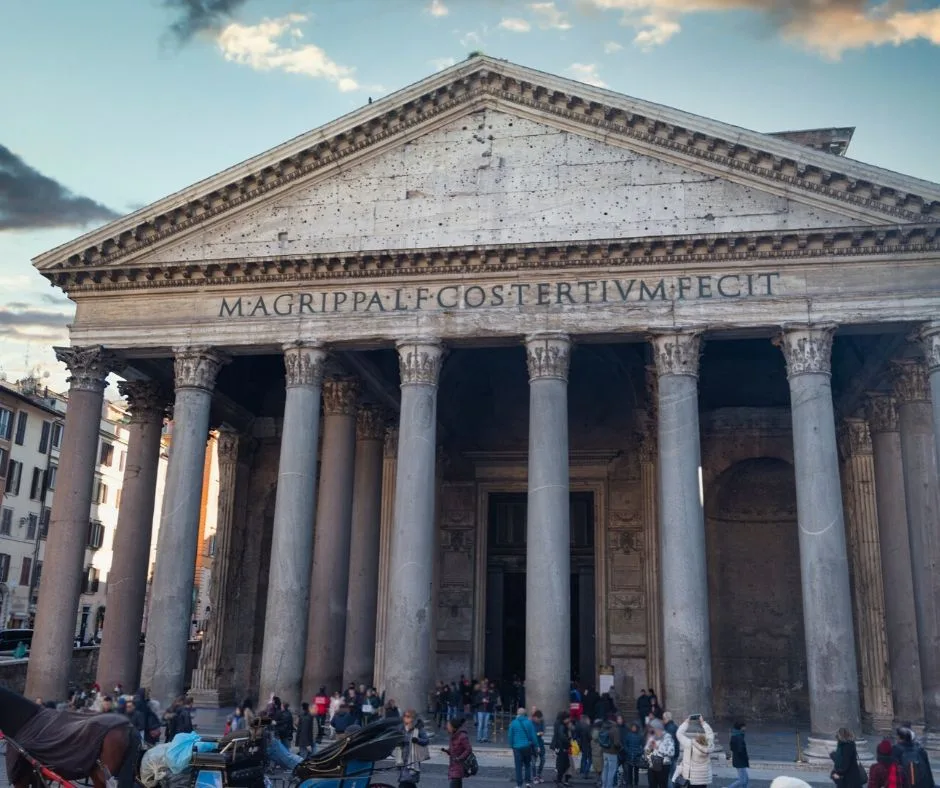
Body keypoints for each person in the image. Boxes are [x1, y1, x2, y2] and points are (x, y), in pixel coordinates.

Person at [675, 716, 715, 788]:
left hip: (692, 779)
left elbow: (679, 733)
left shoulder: (689, 744)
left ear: (696, 739)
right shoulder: (709, 745)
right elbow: (710, 733)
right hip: (703, 779)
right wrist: (703, 723)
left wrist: (686, 722)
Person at [396, 709, 430, 788]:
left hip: (412, 758)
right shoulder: (401, 728)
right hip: (402, 757)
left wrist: (417, 740)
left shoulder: (418, 728)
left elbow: (426, 740)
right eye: (405, 716)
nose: (406, 718)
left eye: (408, 717)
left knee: (406, 781)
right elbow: (396, 738)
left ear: (413, 718)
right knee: (408, 782)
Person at [509, 707, 539, 788]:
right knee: (527, 765)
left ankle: (519, 784)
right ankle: (528, 783)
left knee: (518, 766)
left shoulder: (513, 723)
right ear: (525, 714)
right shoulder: (529, 723)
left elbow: (510, 735)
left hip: (517, 747)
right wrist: (537, 745)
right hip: (527, 746)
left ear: (517, 714)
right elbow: (533, 735)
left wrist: (511, 745)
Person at [644, 720, 676, 788]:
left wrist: (657, 748)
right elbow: (646, 750)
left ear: (658, 728)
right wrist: (648, 750)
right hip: (652, 765)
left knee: (662, 785)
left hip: (663, 766)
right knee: (652, 785)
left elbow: (671, 752)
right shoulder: (652, 737)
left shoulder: (667, 737)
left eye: (652, 728)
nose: (650, 730)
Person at [443, 715, 473, 788]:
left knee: (454, 784)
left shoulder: (462, 736)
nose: (447, 727)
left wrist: (460, 758)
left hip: (459, 765)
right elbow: (454, 749)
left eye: (449, 725)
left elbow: (468, 749)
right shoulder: (453, 735)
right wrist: (447, 751)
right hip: (454, 765)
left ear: (454, 727)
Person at [622, 722, 645, 788]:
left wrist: (639, 752)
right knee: (629, 771)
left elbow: (643, 746)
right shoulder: (628, 735)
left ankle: (636, 783)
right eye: (633, 727)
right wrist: (627, 751)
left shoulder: (640, 736)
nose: (634, 728)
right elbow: (625, 745)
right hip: (629, 755)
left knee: (636, 771)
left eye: (635, 727)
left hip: (637, 756)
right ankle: (630, 783)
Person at [553, 711, 573, 787]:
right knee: (564, 765)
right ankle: (559, 780)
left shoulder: (560, 724)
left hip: (561, 747)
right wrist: (568, 742)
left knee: (564, 764)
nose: (569, 720)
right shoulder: (562, 726)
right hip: (563, 747)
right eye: (568, 718)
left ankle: (559, 780)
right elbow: (562, 736)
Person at [728, 722, 749, 788]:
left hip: (737, 760)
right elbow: (741, 750)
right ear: (741, 727)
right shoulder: (739, 737)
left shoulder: (734, 735)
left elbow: (731, 748)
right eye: (744, 726)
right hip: (740, 761)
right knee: (742, 780)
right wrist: (745, 758)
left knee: (745, 779)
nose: (745, 728)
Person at [532, 709, 547, 784]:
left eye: (540, 719)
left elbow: (544, 730)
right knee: (533, 761)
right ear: (535, 717)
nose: (539, 721)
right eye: (538, 719)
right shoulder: (530, 722)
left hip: (540, 743)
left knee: (543, 759)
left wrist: (542, 732)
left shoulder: (542, 721)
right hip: (533, 744)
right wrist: (538, 733)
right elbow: (531, 734)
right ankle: (534, 776)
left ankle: (539, 774)